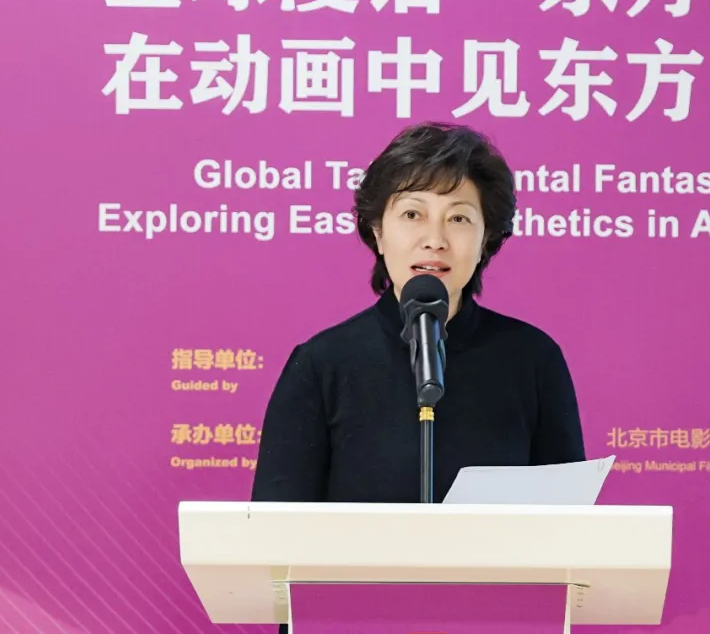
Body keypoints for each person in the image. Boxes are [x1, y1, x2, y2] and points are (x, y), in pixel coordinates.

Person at [250, 122, 585, 510]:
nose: (435, 240)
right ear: (378, 231)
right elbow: (274, 531)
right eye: (412, 214)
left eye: (458, 219)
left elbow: (568, 526)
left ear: (486, 239)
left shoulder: (533, 360)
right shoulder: (321, 366)